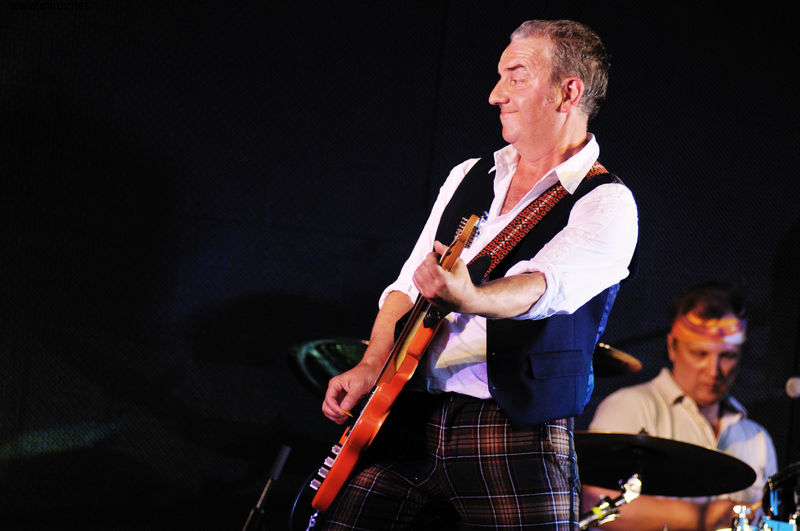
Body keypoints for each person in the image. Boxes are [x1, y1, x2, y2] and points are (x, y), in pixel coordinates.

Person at [317, 19, 638, 529]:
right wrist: (372, 365)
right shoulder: (469, 175)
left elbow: (543, 287)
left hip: (514, 431)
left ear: (568, 92)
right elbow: (406, 285)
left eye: (516, 77)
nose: (495, 94)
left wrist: (469, 297)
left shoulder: (607, 202)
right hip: (411, 411)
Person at [582, 281, 778, 531]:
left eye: (728, 355)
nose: (714, 370)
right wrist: (706, 516)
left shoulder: (758, 438)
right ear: (672, 347)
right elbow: (594, 503)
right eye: (700, 353)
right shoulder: (629, 406)